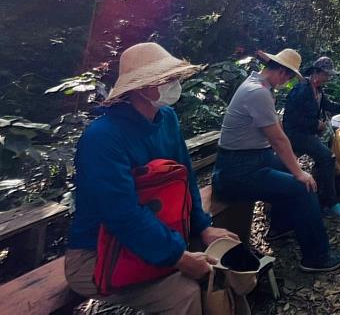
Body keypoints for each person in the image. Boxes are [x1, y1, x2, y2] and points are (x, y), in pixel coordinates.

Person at [66, 42, 238, 314]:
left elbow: (185, 178)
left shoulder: (166, 118)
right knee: (183, 293)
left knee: (224, 261)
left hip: (159, 232)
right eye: (168, 79)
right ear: (143, 87)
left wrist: (203, 227)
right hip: (98, 252)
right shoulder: (102, 138)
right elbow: (123, 215)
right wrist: (178, 257)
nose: (176, 84)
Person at [212, 48, 340, 273]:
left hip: (252, 160)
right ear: (283, 73)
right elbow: (278, 139)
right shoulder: (258, 92)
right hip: (237, 170)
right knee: (303, 187)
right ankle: (317, 257)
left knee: (286, 169)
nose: (289, 81)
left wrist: (292, 164)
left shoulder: (260, 85)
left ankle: (280, 226)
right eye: (290, 76)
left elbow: (275, 130)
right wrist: (299, 172)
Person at [282, 56, 340, 221]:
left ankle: (323, 193)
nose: (328, 78)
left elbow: (328, 105)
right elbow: (291, 119)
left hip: (308, 133)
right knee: (326, 158)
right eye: (326, 75)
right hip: (296, 134)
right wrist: (315, 125)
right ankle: (330, 202)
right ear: (317, 72)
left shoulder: (318, 89)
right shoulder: (301, 90)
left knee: (325, 156)